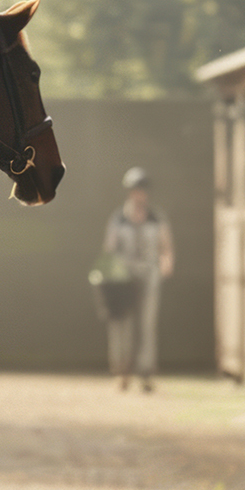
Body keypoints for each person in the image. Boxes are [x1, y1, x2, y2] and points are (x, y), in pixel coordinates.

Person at [102, 167, 174, 392]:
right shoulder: (119, 219)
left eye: (142, 190)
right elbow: (110, 249)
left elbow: (166, 246)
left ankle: (146, 372)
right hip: (124, 275)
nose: (138, 195)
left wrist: (165, 263)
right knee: (122, 324)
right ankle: (122, 370)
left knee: (147, 324)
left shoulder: (156, 218)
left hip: (149, 274)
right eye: (135, 190)